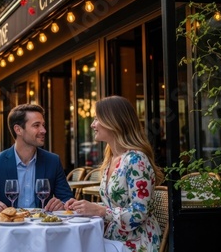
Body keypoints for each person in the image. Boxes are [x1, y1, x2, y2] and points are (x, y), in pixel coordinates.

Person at [64, 96, 165, 252]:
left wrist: (100, 211)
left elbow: (139, 213)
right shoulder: (111, 159)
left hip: (137, 243)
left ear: (113, 122)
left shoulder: (136, 160)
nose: (92, 125)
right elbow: (114, 207)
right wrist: (84, 207)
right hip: (113, 240)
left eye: (97, 119)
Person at [0, 103, 73, 216]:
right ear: (18, 130)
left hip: (42, 229)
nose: (43, 130)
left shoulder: (52, 161)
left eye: (43, 125)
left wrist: (61, 204)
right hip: (8, 229)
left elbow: (68, 199)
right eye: (36, 125)